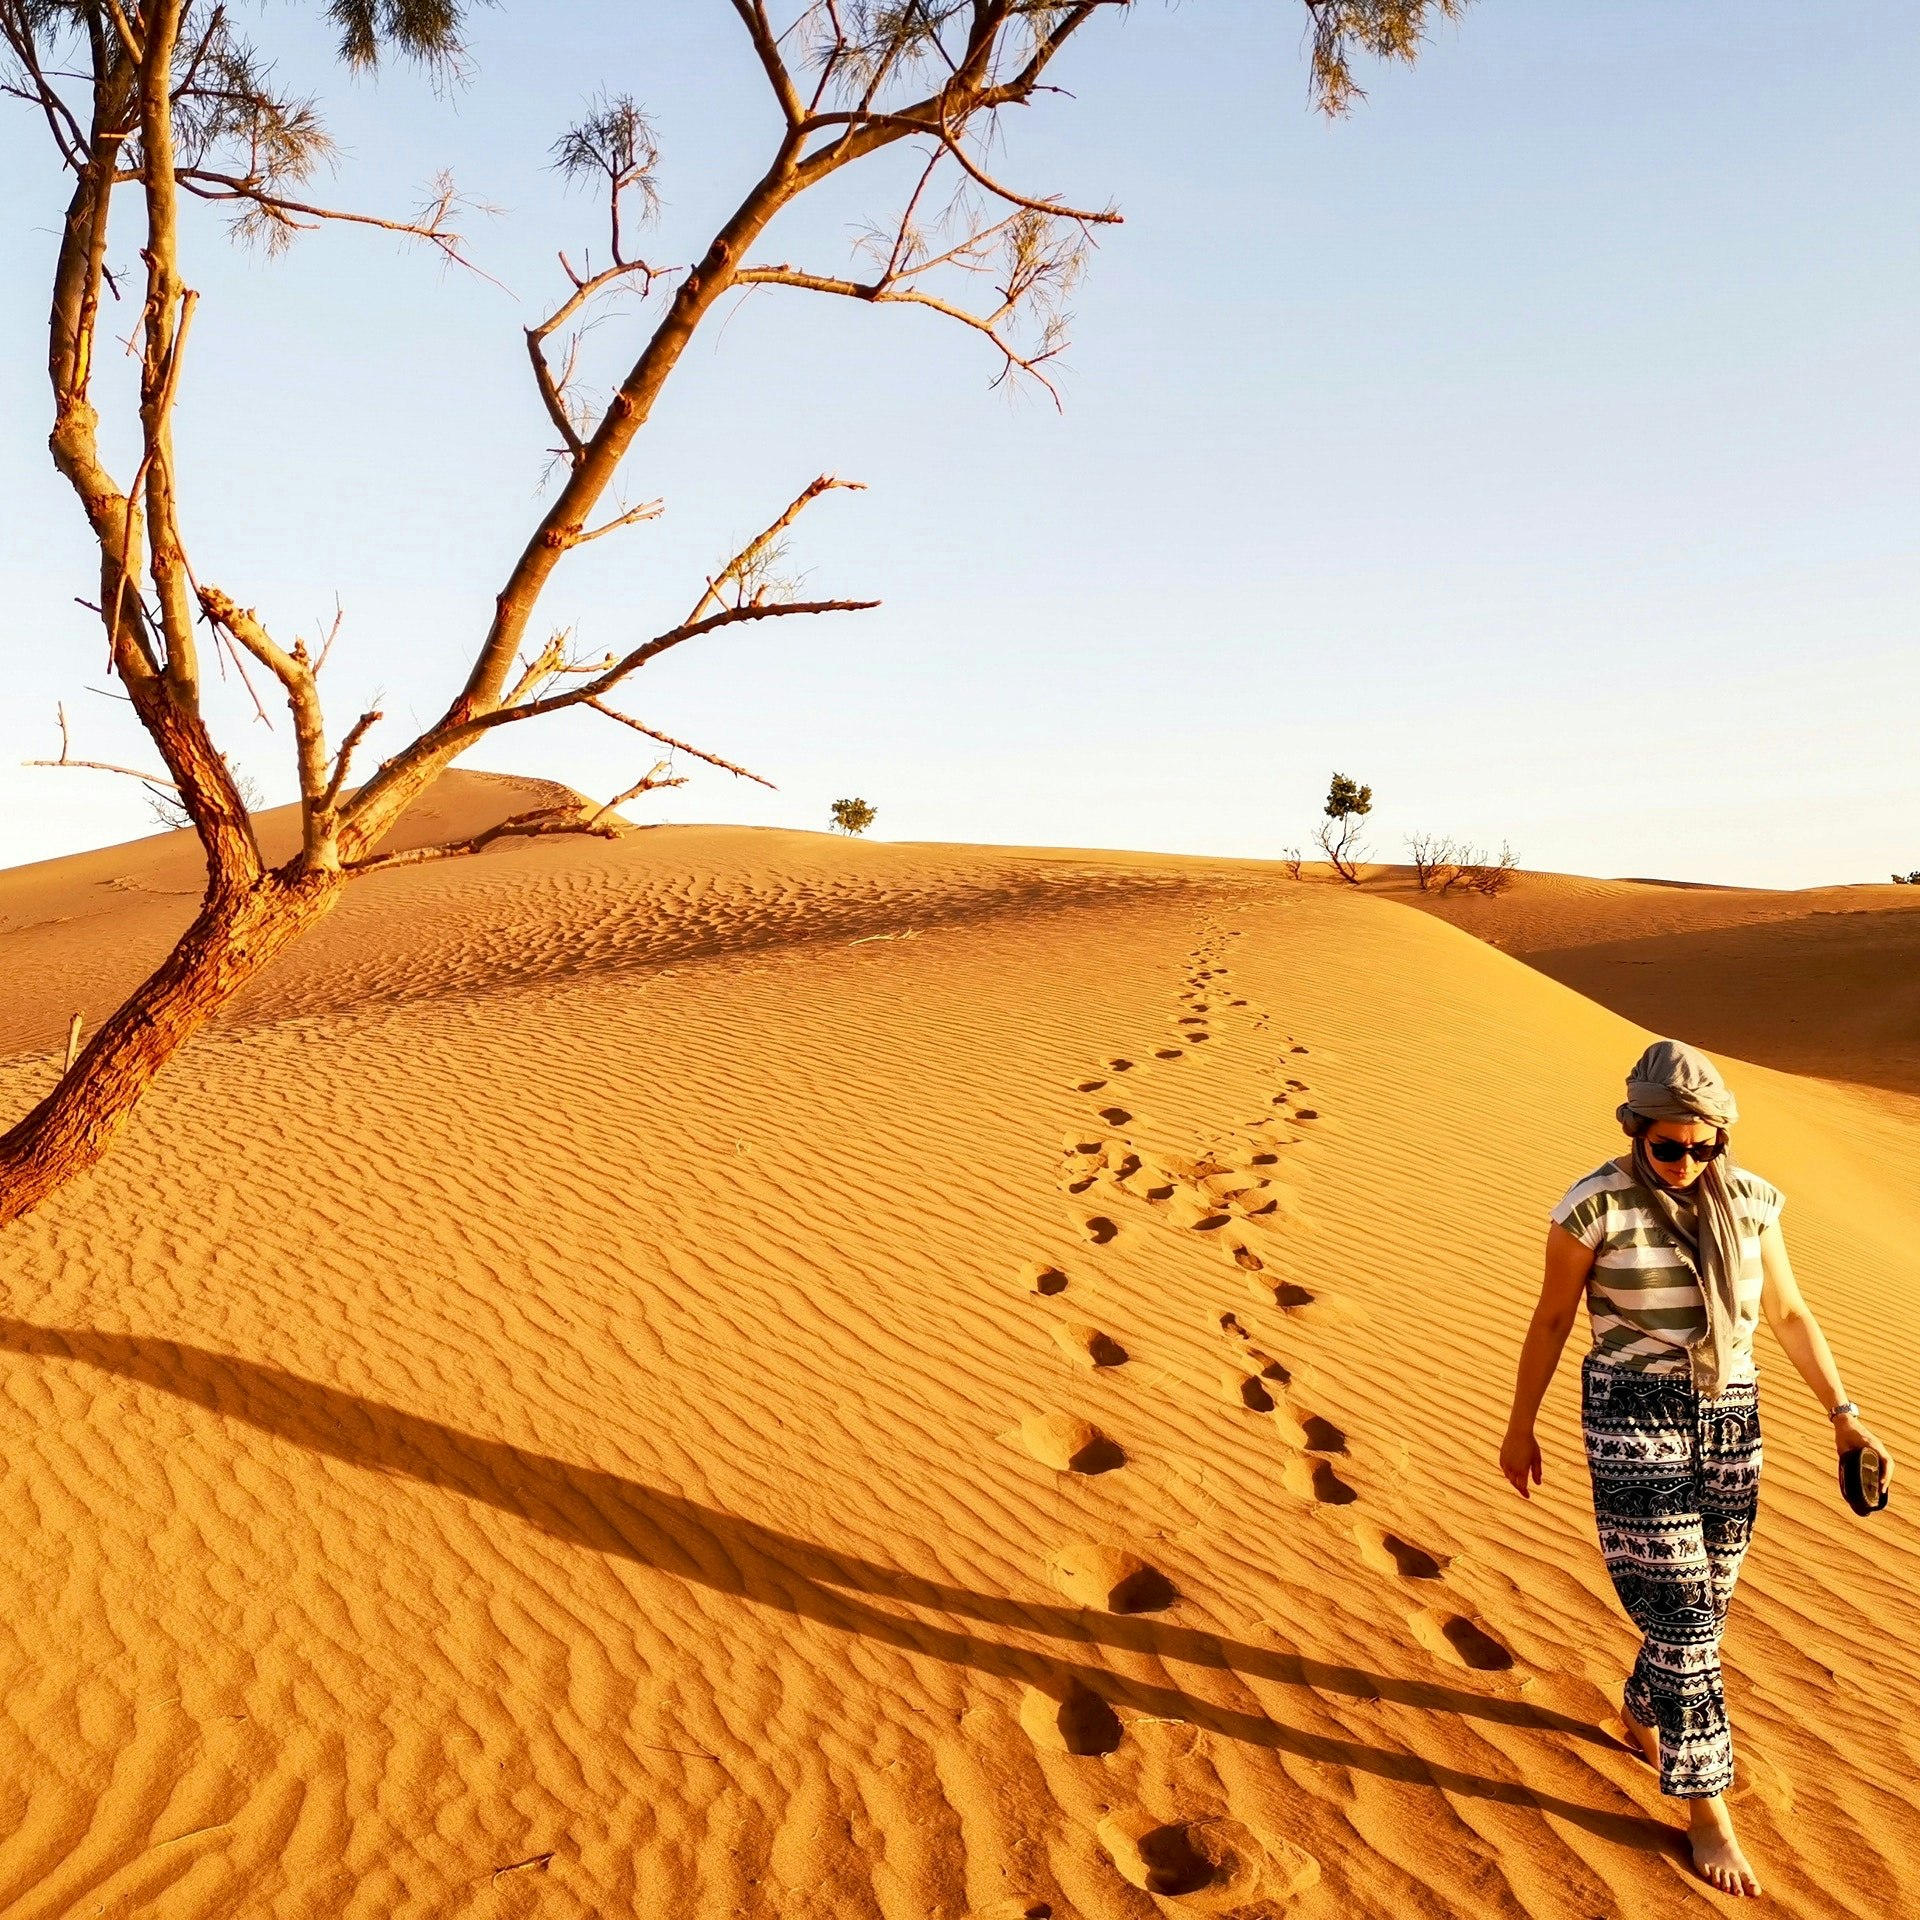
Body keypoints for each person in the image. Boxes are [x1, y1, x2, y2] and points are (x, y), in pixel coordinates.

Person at [1499, 1038, 1893, 1898]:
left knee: (1707, 1602)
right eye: (1668, 1147)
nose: (1686, 1162)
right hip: (1631, 1412)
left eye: (1703, 1146)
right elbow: (1552, 1319)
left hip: (1732, 1414)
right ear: (1635, 1130)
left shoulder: (1752, 1201)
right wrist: (1519, 1426)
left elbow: (1788, 1313)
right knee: (1681, 1612)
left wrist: (1844, 1418)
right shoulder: (1592, 1207)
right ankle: (1707, 1804)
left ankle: (1644, 1708)